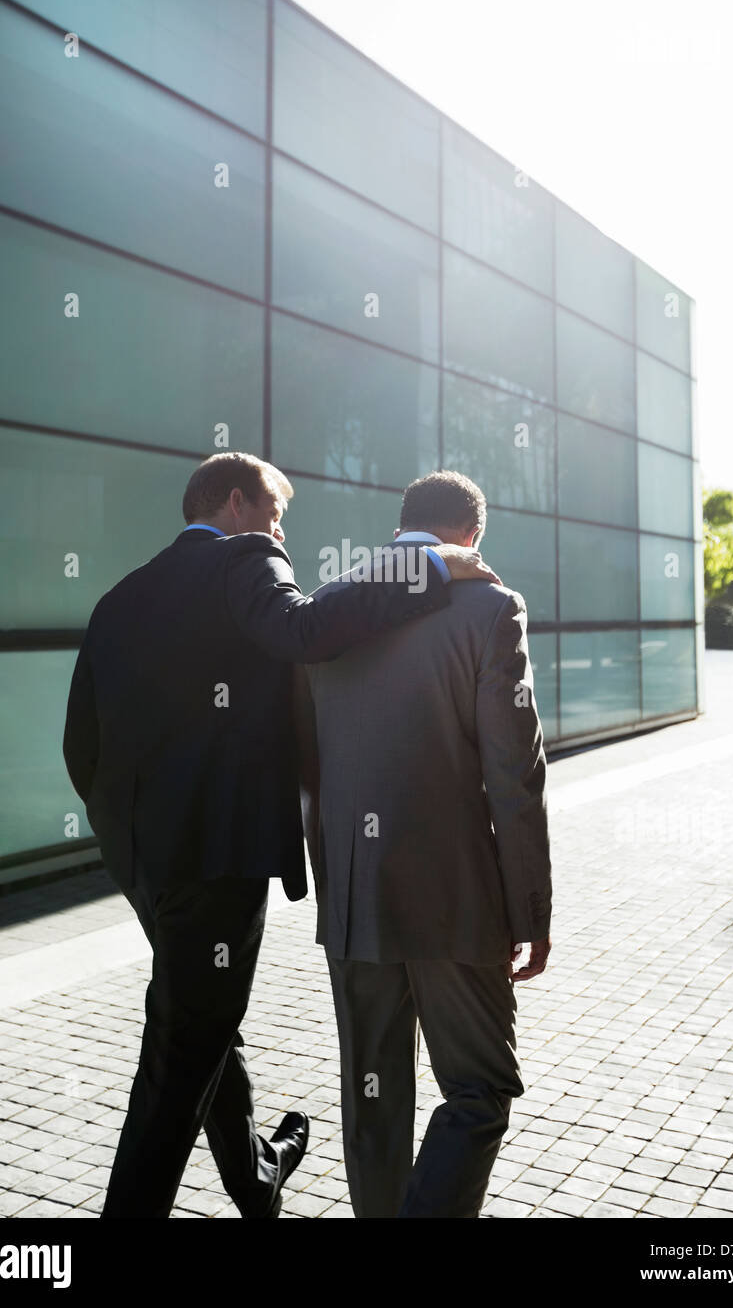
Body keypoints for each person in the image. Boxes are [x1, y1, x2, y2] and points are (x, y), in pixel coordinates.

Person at [62, 451, 495, 1219]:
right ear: (235, 504)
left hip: (141, 860)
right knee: (177, 1058)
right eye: (275, 514)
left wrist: (125, 839)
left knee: (199, 1015)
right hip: (214, 862)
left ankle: (257, 1175)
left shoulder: (121, 596)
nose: (281, 533)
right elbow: (307, 629)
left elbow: (80, 745)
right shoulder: (245, 557)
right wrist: (431, 567)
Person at [298, 470, 553, 1218]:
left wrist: (334, 881)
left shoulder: (326, 609)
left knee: (372, 1097)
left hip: (354, 897)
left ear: (401, 525)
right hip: (456, 899)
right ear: (472, 535)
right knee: (479, 1089)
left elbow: (305, 761)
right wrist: (529, 910)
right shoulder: (489, 607)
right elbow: (514, 775)